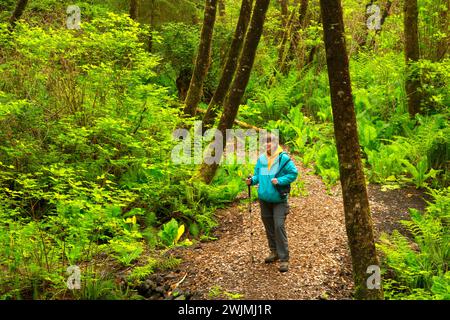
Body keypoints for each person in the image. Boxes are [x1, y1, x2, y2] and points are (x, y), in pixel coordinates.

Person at [246, 134, 298, 272]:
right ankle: (274, 252)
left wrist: (280, 181)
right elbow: (258, 176)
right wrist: (252, 180)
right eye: (265, 143)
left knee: (279, 226)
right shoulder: (262, 159)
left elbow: (293, 173)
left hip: (279, 200)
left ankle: (284, 259)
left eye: (270, 142)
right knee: (269, 226)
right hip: (264, 199)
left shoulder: (283, 158)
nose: (267, 145)